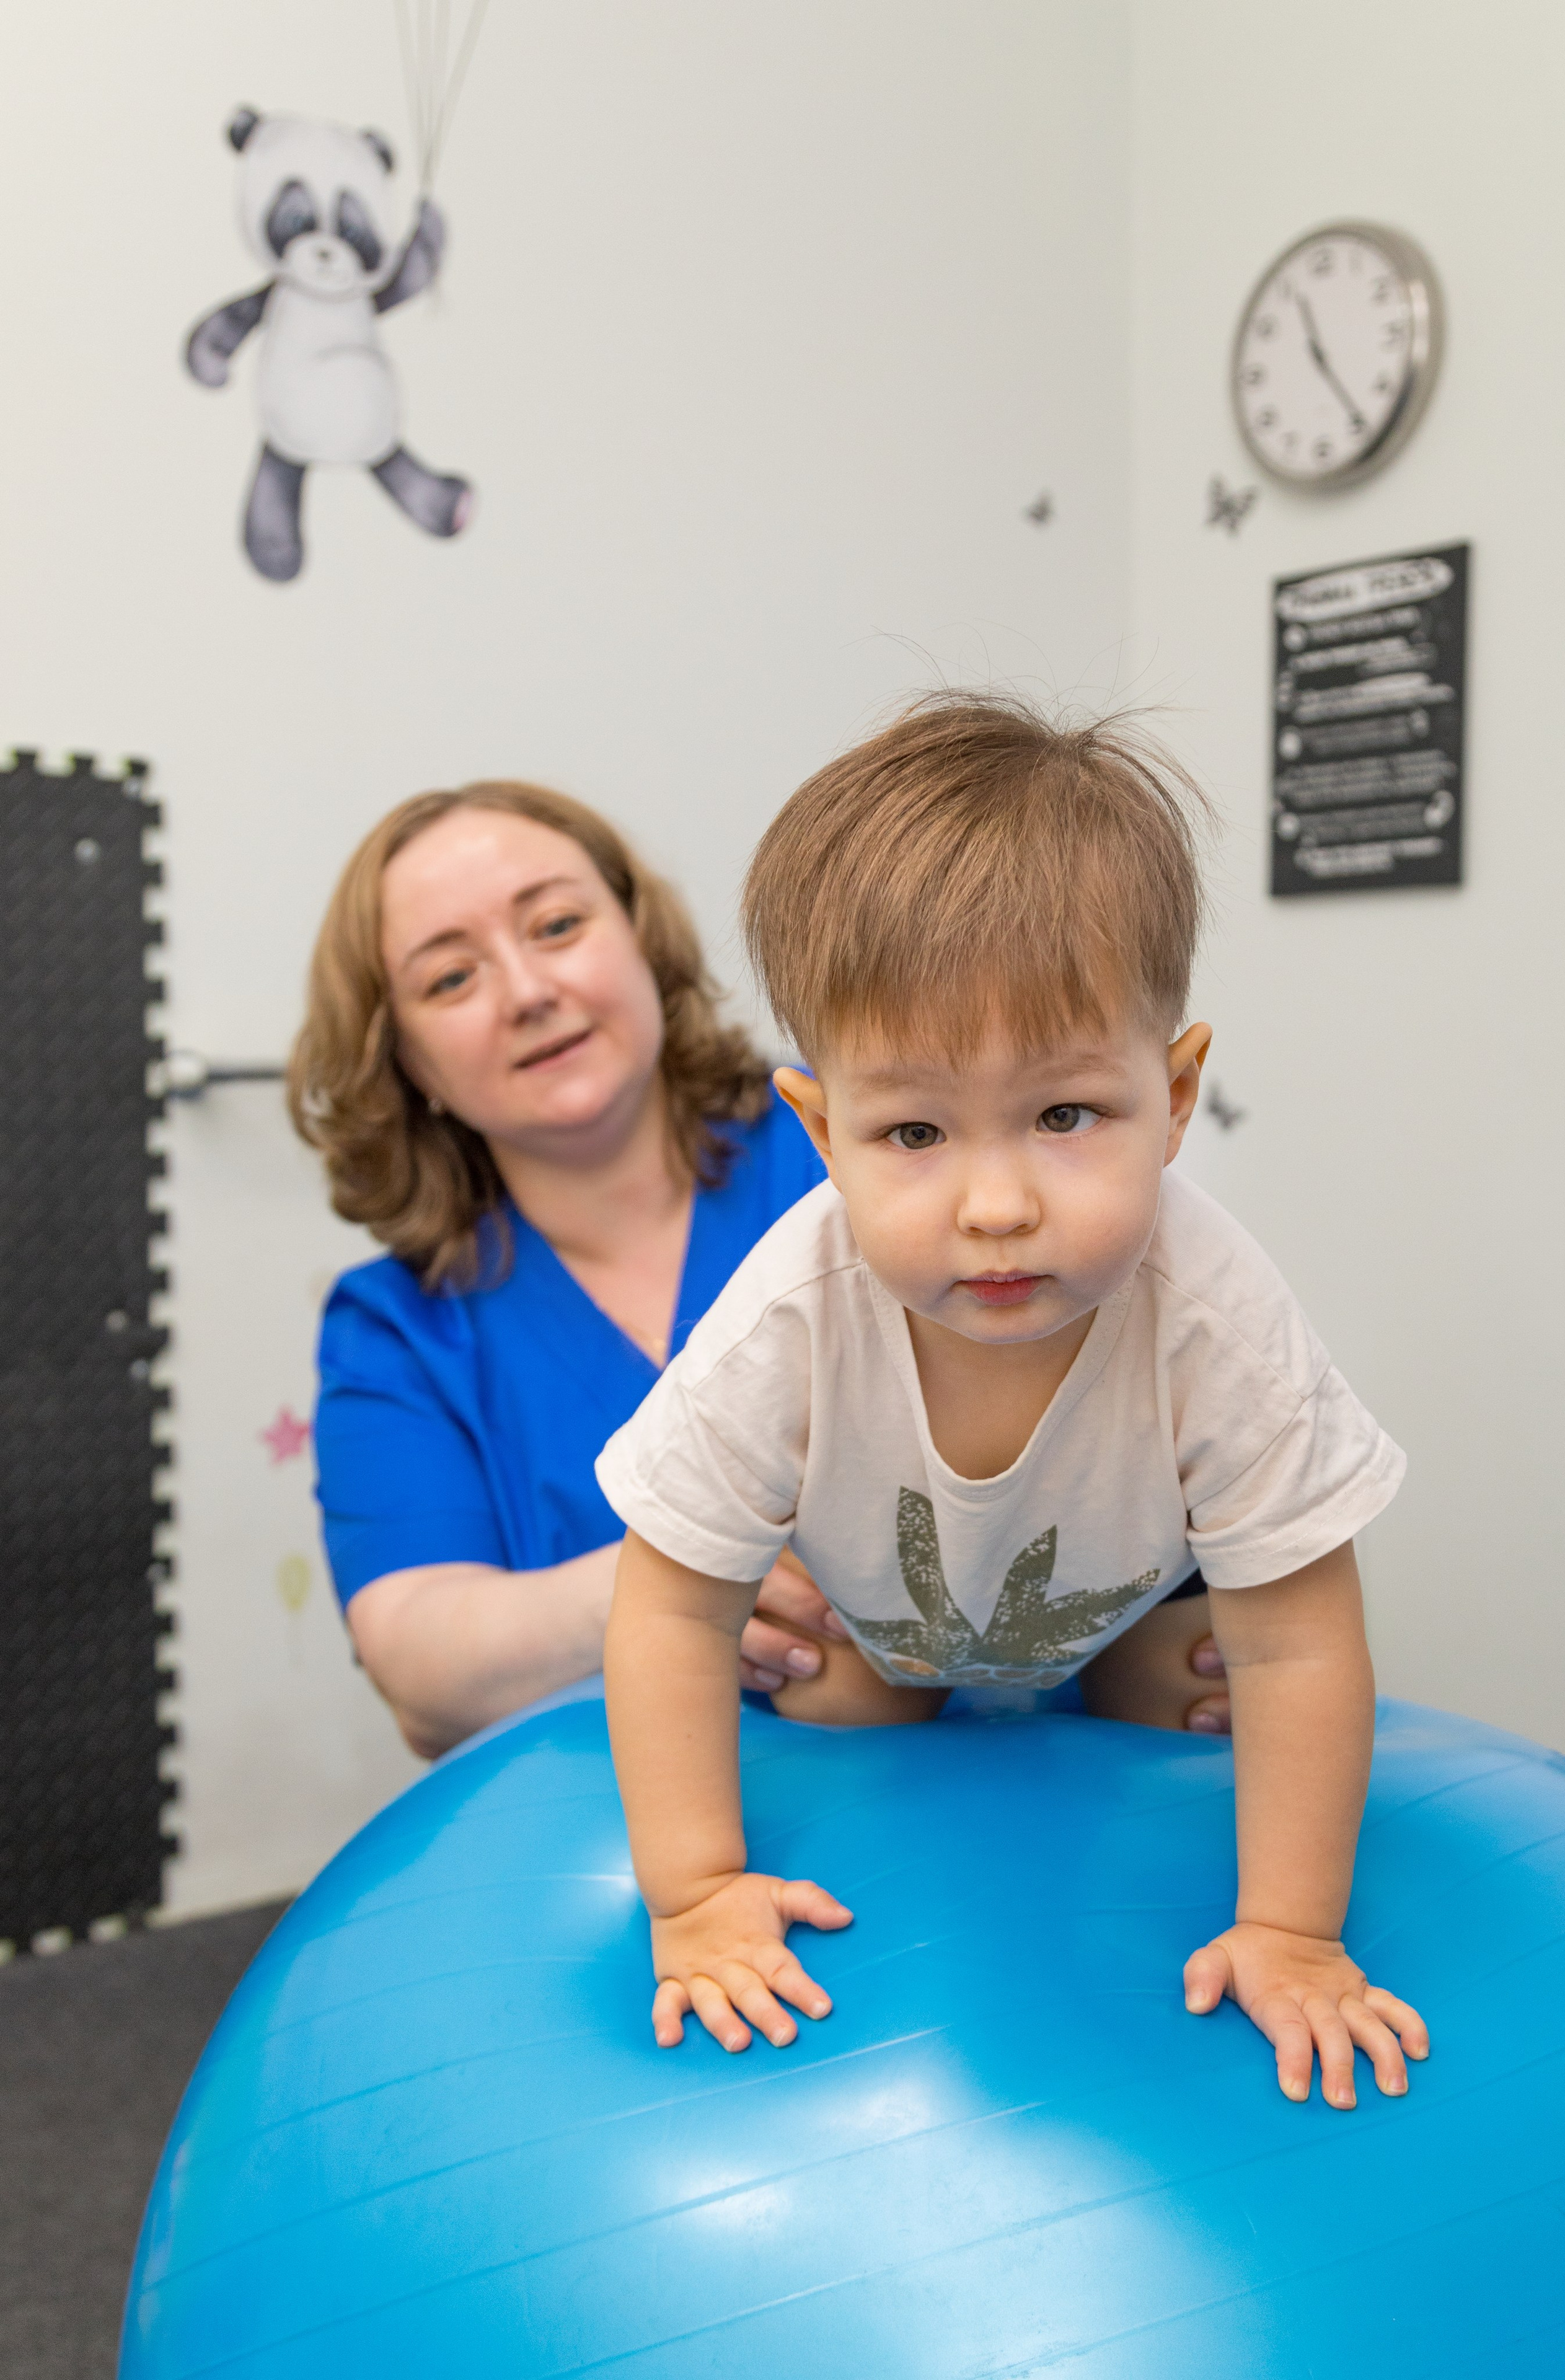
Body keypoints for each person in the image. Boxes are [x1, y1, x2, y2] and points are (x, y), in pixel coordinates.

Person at [597, 697, 1431, 2111]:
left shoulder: (1212, 1314)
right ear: (818, 1131)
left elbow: (1296, 1643)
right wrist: (695, 1895)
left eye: (1064, 1117)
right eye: (912, 1133)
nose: (995, 1205)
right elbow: (671, 1609)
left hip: (1122, 1612)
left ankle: (1108, 1685)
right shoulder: (789, 1313)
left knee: (1200, 1702)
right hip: (889, 1627)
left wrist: (1290, 1929)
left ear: (1172, 1096)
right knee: (838, 1710)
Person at [291, 777, 1230, 1758]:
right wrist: (699, 1565)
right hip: (656, 1827)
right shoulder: (399, 1329)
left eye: (558, 925)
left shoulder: (883, 1153)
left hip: (1068, 1773)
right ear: (404, 1059)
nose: (529, 993)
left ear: (642, 940)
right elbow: (423, 1681)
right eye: (451, 979)